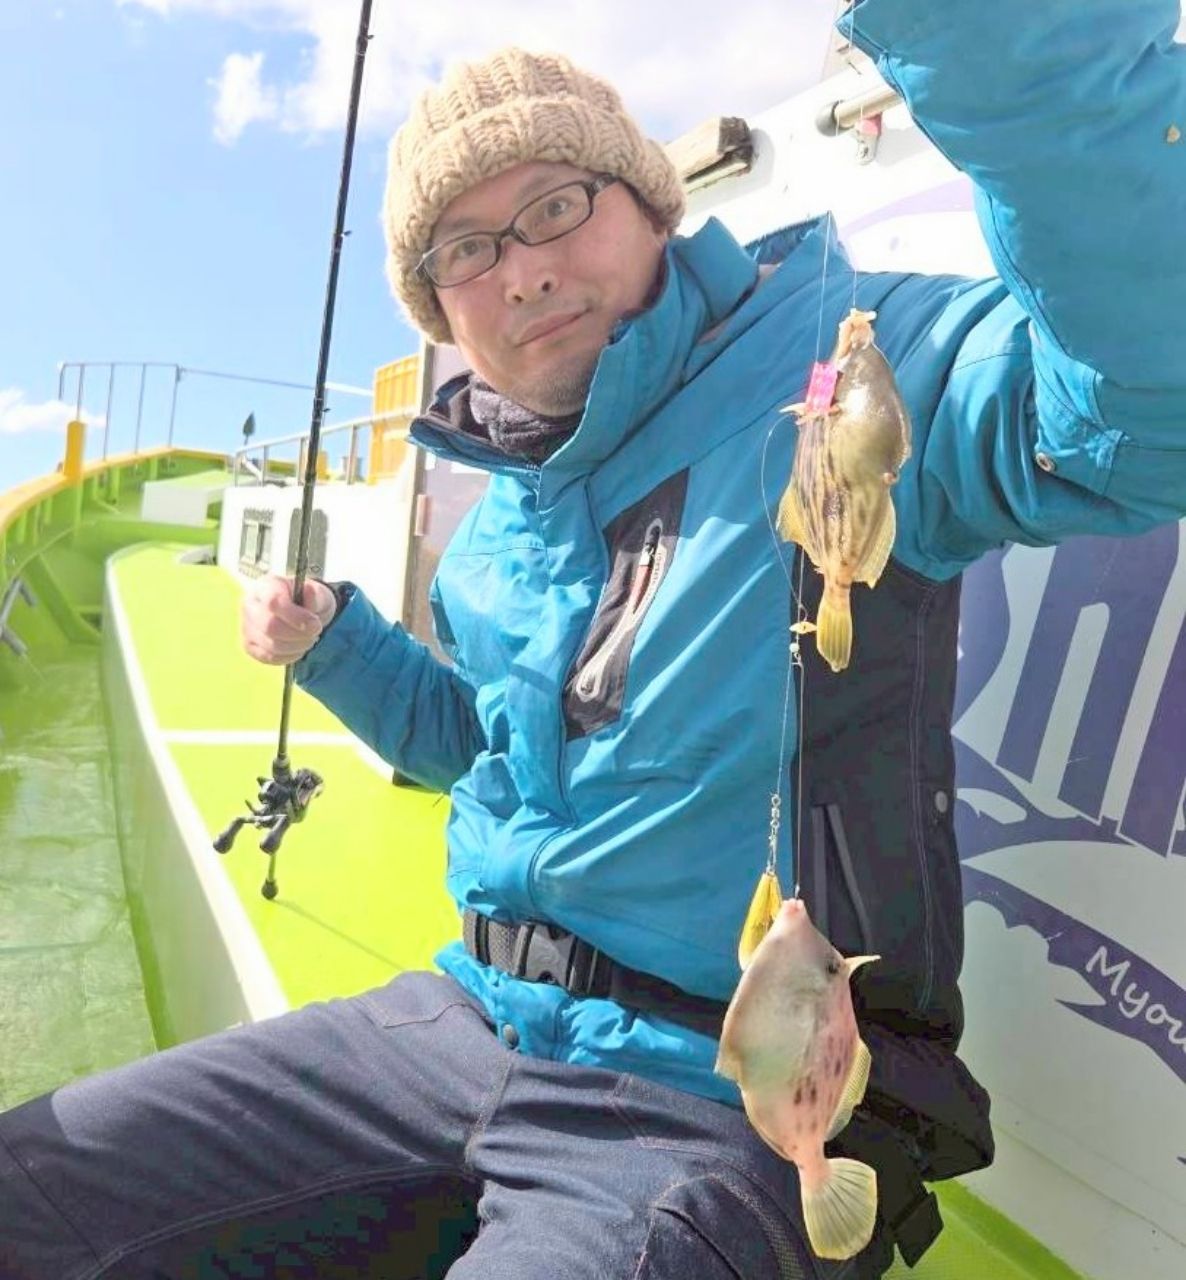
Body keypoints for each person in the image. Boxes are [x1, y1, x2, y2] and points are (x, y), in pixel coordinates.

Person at [3, 3, 1185, 1276]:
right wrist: (338, 644)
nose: (521, 271)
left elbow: (1142, 409)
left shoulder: (850, 354)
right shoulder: (503, 509)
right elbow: (479, 747)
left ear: (650, 204)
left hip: (719, 1089)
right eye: (466, 249)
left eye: (557, 206)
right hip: (464, 1012)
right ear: (439, 309)